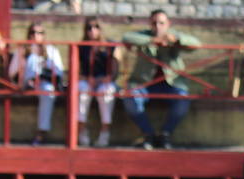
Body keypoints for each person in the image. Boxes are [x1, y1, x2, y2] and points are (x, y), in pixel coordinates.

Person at [122, 10, 200, 150]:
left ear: (168, 24)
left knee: (183, 100)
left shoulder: (174, 36)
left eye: (161, 23)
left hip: (171, 84)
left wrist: (176, 40)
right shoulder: (145, 35)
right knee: (130, 98)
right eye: (154, 23)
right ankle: (149, 134)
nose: (158, 26)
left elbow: (196, 44)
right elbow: (127, 37)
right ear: (150, 24)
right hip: (144, 84)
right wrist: (152, 41)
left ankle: (165, 134)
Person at [11, 22, 64, 146]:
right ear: (29, 34)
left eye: (39, 33)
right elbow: (12, 72)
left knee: (48, 92)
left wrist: (44, 74)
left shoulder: (51, 50)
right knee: (33, 59)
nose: (36, 35)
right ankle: (31, 81)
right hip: (26, 83)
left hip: (45, 83)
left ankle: (41, 132)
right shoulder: (22, 49)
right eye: (33, 32)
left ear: (43, 35)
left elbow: (59, 72)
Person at [75, 17, 118, 147]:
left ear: (101, 29)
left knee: (106, 91)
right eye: (89, 27)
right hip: (87, 80)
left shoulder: (110, 45)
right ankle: (82, 130)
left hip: (105, 80)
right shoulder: (81, 47)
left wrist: (105, 78)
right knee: (81, 89)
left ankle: (105, 132)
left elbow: (115, 70)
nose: (92, 30)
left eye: (96, 27)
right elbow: (75, 71)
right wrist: (87, 79)